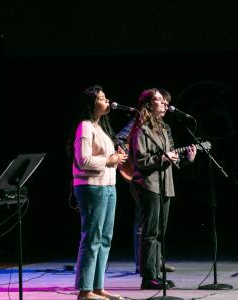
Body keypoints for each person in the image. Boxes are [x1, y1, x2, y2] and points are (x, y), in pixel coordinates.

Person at [129, 88, 196, 289]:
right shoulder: (141, 129)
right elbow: (140, 160)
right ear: (149, 105)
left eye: (164, 101)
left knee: (160, 233)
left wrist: (186, 159)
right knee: (150, 232)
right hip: (149, 184)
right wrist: (162, 158)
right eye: (159, 100)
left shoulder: (165, 128)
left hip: (165, 184)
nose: (165, 104)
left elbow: (171, 159)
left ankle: (156, 272)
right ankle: (148, 277)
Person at [69, 85, 128, 300]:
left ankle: (98, 286)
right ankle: (85, 291)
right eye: (102, 98)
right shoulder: (85, 126)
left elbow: (105, 158)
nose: (107, 100)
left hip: (108, 186)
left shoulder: (100, 126)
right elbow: (83, 161)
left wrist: (116, 157)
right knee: (92, 237)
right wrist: (110, 159)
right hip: (91, 187)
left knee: (105, 238)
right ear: (92, 104)